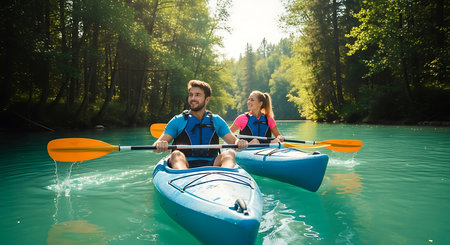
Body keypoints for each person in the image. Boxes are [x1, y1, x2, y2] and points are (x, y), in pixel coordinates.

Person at [153, 80, 248, 169]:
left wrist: (239, 143)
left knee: (229, 153)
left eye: (197, 95)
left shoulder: (216, 120)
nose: (193, 98)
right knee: (176, 154)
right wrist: (159, 145)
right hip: (185, 164)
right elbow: (155, 147)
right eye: (191, 95)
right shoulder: (178, 120)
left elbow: (233, 142)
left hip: (212, 164)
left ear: (207, 99)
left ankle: (227, 177)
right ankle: (183, 177)